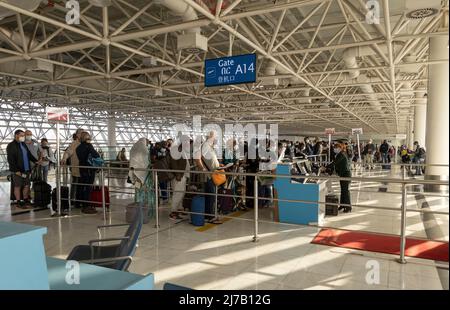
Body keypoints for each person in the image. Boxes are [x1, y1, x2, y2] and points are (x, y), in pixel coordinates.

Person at [7, 130, 39, 209]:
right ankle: (18, 201)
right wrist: (15, 170)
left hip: (26, 169)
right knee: (17, 186)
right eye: (22, 135)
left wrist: (36, 161)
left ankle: (25, 199)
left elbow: (29, 155)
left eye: (23, 135)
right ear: (16, 135)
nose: (23, 137)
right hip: (18, 170)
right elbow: (10, 159)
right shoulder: (11, 145)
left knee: (26, 185)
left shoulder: (23, 144)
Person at [195, 131, 221, 222]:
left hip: (213, 174)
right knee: (211, 195)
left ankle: (209, 215)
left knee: (211, 195)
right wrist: (202, 169)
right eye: (214, 138)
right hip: (208, 176)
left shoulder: (210, 147)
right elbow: (197, 158)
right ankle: (209, 216)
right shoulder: (205, 146)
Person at [324, 141, 352, 213]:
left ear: (340, 148)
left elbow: (335, 162)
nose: (334, 149)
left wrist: (325, 167)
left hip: (346, 174)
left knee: (345, 191)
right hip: (342, 174)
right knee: (343, 190)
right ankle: (342, 205)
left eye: (336, 148)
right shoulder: (340, 154)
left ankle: (348, 207)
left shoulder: (341, 154)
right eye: (334, 148)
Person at [76, 132, 99, 214]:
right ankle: (86, 205)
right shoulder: (86, 147)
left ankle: (84, 204)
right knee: (87, 188)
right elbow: (95, 155)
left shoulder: (79, 147)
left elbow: (94, 155)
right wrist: (89, 147)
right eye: (88, 138)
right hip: (88, 170)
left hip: (85, 170)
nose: (89, 140)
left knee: (85, 187)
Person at [168, 136, 190, 220]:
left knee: (181, 193)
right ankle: (173, 212)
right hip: (178, 176)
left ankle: (179, 209)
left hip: (182, 175)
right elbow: (173, 163)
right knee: (178, 194)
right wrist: (178, 174)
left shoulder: (181, 150)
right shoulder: (176, 150)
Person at [62, 129, 83, 208]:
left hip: (83, 169)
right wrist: (64, 159)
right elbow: (68, 152)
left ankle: (79, 200)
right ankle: (73, 200)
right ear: (77, 135)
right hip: (76, 168)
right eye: (81, 133)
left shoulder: (84, 143)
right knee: (75, 184)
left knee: (80, 185)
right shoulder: (74, 144)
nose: (83, 135)